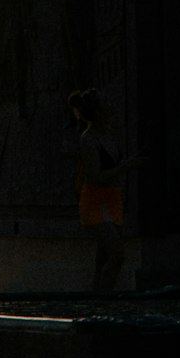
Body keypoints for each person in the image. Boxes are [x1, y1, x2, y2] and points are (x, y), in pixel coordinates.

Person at [68, 87, 141, 293]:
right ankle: (105, 299)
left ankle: (97, 295)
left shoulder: (109, 136)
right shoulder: (88, 139)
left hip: (113, 199)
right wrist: (127, 166)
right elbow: (95, 177)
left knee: (103, 257)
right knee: (117, 254)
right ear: (98, 112)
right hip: (95, 202)